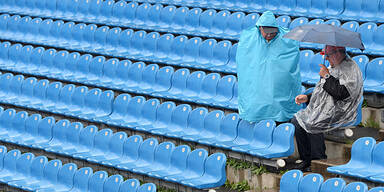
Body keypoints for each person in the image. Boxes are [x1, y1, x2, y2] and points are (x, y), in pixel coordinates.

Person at [292, 45, 363, 171]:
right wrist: (307, 97)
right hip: (326, 107)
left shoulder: (351, 69)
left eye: (328, 55)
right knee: (297, 121)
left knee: (315, 121)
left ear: (337, 53)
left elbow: (341, 94)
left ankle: (318, 159)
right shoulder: (333, 66)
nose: (326, 58)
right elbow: (322, 91)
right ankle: (306, 159)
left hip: (342, 110)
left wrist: (327, 76)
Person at [236, 11, 302, 123]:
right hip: (257, 87)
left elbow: (291, 63)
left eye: (272, 32)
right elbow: (244, 62)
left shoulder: (288, 39)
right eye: (266, 32)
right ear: (259, 28)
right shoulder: (248, 38)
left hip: (279, 88)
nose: (269, 35)